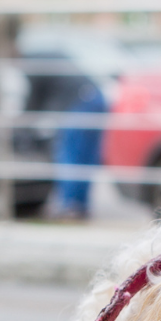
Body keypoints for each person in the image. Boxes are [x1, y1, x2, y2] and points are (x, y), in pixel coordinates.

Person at [27, 54, 106, 221]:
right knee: (86, 158)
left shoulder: (32, 66)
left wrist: (23, 125)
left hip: (78, 105)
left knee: (70, 157)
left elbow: (33, 103)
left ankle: (70, 207)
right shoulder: (44, 57)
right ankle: (80, 206)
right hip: (96, 97)